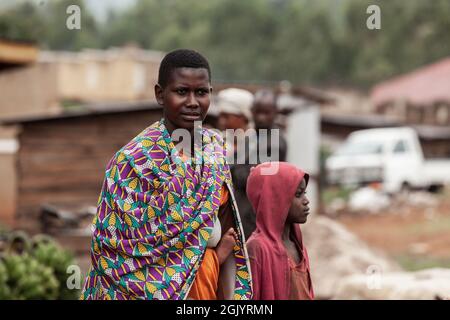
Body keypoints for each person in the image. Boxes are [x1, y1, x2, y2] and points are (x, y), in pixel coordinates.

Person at [80, 49, 252, 300]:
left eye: (201, 92)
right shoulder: (133, 162)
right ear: (160, 94)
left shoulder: (215, 152)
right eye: (182, 91)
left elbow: (228, 235)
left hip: (206, 289)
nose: (193, 101)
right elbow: (111, 250)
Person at [246, 162, 314, 300]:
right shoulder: (258, 248)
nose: (306, 201)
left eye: (304, 193)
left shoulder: (298, 246)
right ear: (275, 199)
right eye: (298, 194)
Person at [231, 89, 288, 239]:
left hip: (256, 217)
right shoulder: (252, 137)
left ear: (276, 112)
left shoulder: (275, 143)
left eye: (266, 113)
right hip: (243, 213)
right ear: (251, 111)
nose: (261, 118)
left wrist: (231, 167)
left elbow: (252, 178)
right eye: (258, 112)